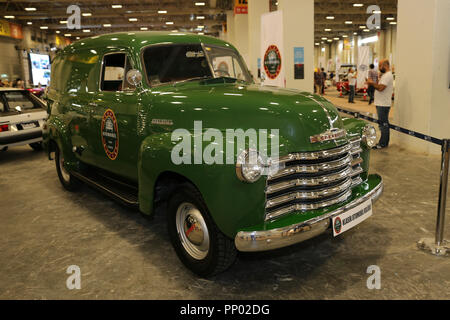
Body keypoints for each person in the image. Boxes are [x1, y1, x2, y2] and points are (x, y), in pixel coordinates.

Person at [367, 59, 394, 149]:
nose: (379, 68)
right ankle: (383, 142)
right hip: (381, 103)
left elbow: (381, 88)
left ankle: (383, 143)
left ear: (385, 66)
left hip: (383, 104)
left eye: (380, 66)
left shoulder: (387, 76)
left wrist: (371, 83)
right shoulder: (385, 75)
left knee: (383, 125)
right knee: (382, 124)